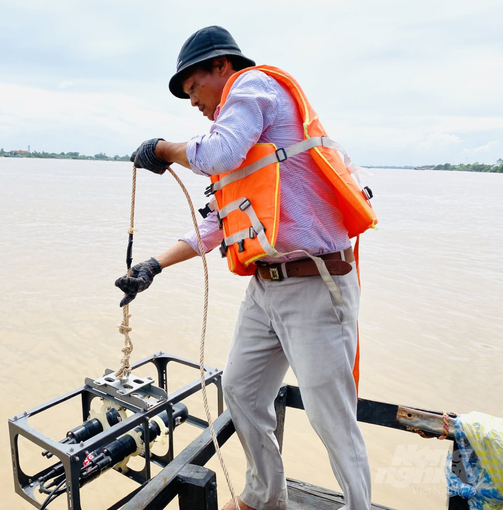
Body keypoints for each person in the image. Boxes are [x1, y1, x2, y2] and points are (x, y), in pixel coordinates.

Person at [116, 26, 373, 510]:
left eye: (194, 88)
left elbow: (216, 153)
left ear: (222, 67)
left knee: (330, 414)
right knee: (241, 390)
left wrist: (165, 149)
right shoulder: (237, 141)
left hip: (315, 283)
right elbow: (214, 227)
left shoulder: (253, 87)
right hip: (265, 289)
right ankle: (264, 498)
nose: (193, 102)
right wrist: (152, 266)